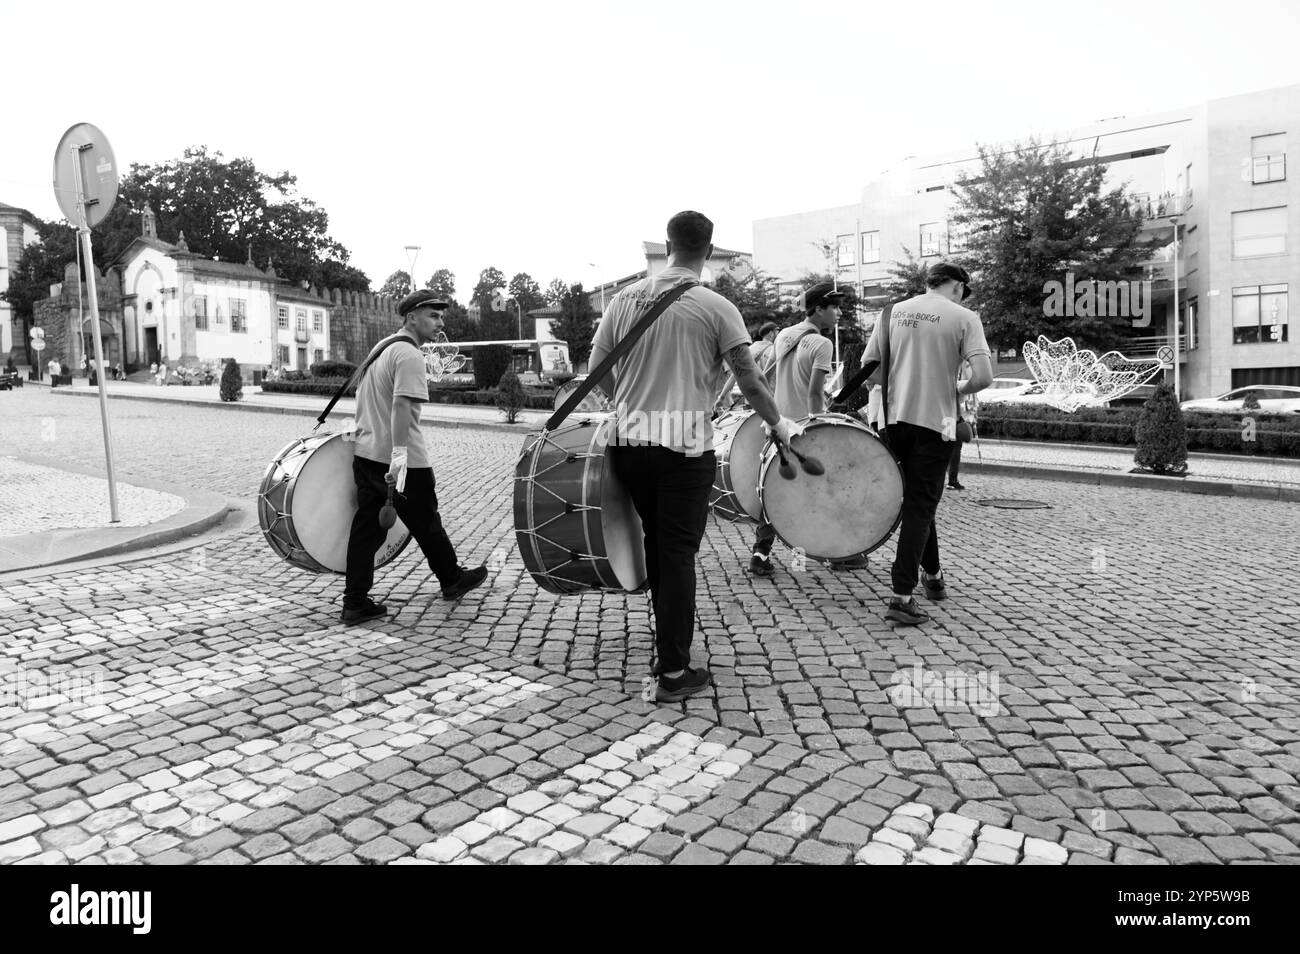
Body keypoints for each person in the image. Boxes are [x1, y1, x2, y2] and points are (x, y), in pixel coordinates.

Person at [589, 210, 797, 703]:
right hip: (684, 447)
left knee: (658, 547)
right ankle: (675, 671)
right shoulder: (716, 305)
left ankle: (667, 647)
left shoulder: (623, 298)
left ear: (668, 244)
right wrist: (778, 424)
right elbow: (749, 378)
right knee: (677, 554)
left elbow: (597, 371)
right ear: (708, 250)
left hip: (630, 443)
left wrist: (635, 402)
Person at [343, 289, 488, 623]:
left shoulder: (382, 349)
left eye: (441, 316)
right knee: (426, 520)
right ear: (411, 317)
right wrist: (400, 457)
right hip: (400, 460)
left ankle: (355, 601)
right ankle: (451, 579)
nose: (440, 323)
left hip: (366, 454)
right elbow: (401, 406)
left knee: (367, 528)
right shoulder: (409, 355)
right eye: (433, 316)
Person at [861, 262, 992, 625]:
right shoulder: (965, 317)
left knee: (918, 501)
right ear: (959, 286)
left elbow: (867, 368)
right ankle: (902, 596)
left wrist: (902, 380)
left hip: (894, 419)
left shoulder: (891, 313)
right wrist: (955, 388)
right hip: (942, 421)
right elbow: (983, 377)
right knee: (921, 506)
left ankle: (932, 578)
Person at [749, 284, 840, 578]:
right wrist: (822, 424)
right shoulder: (822, 344)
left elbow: (771, 379)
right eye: (834, 307)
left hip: (777, 424)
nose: (839, 313)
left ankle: (760, 553)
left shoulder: (785, 334)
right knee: (812, 494)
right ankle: (823, 554)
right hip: (803, 427)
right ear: (818, 310)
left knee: (773, 489)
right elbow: (815, 393)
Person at [714, 320, 778, 413]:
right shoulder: (774, 350)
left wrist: (721, 397)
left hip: (752, 402)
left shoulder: (749, 350)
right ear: (771, 333)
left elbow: (734, 376)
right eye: (777, 332)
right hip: (772, 400)